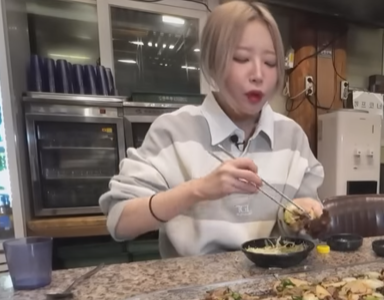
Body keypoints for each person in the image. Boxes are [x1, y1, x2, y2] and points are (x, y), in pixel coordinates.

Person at [99, 0, 325, 258]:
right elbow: (119, 221)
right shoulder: (174, 131)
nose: (258, 74)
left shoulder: (292, 137)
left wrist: (301, 215)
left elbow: (302, 225)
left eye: (270, 62)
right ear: (213, 61)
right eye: (241, 58)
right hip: (195, 281)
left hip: (275, 279)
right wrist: (198, 190)